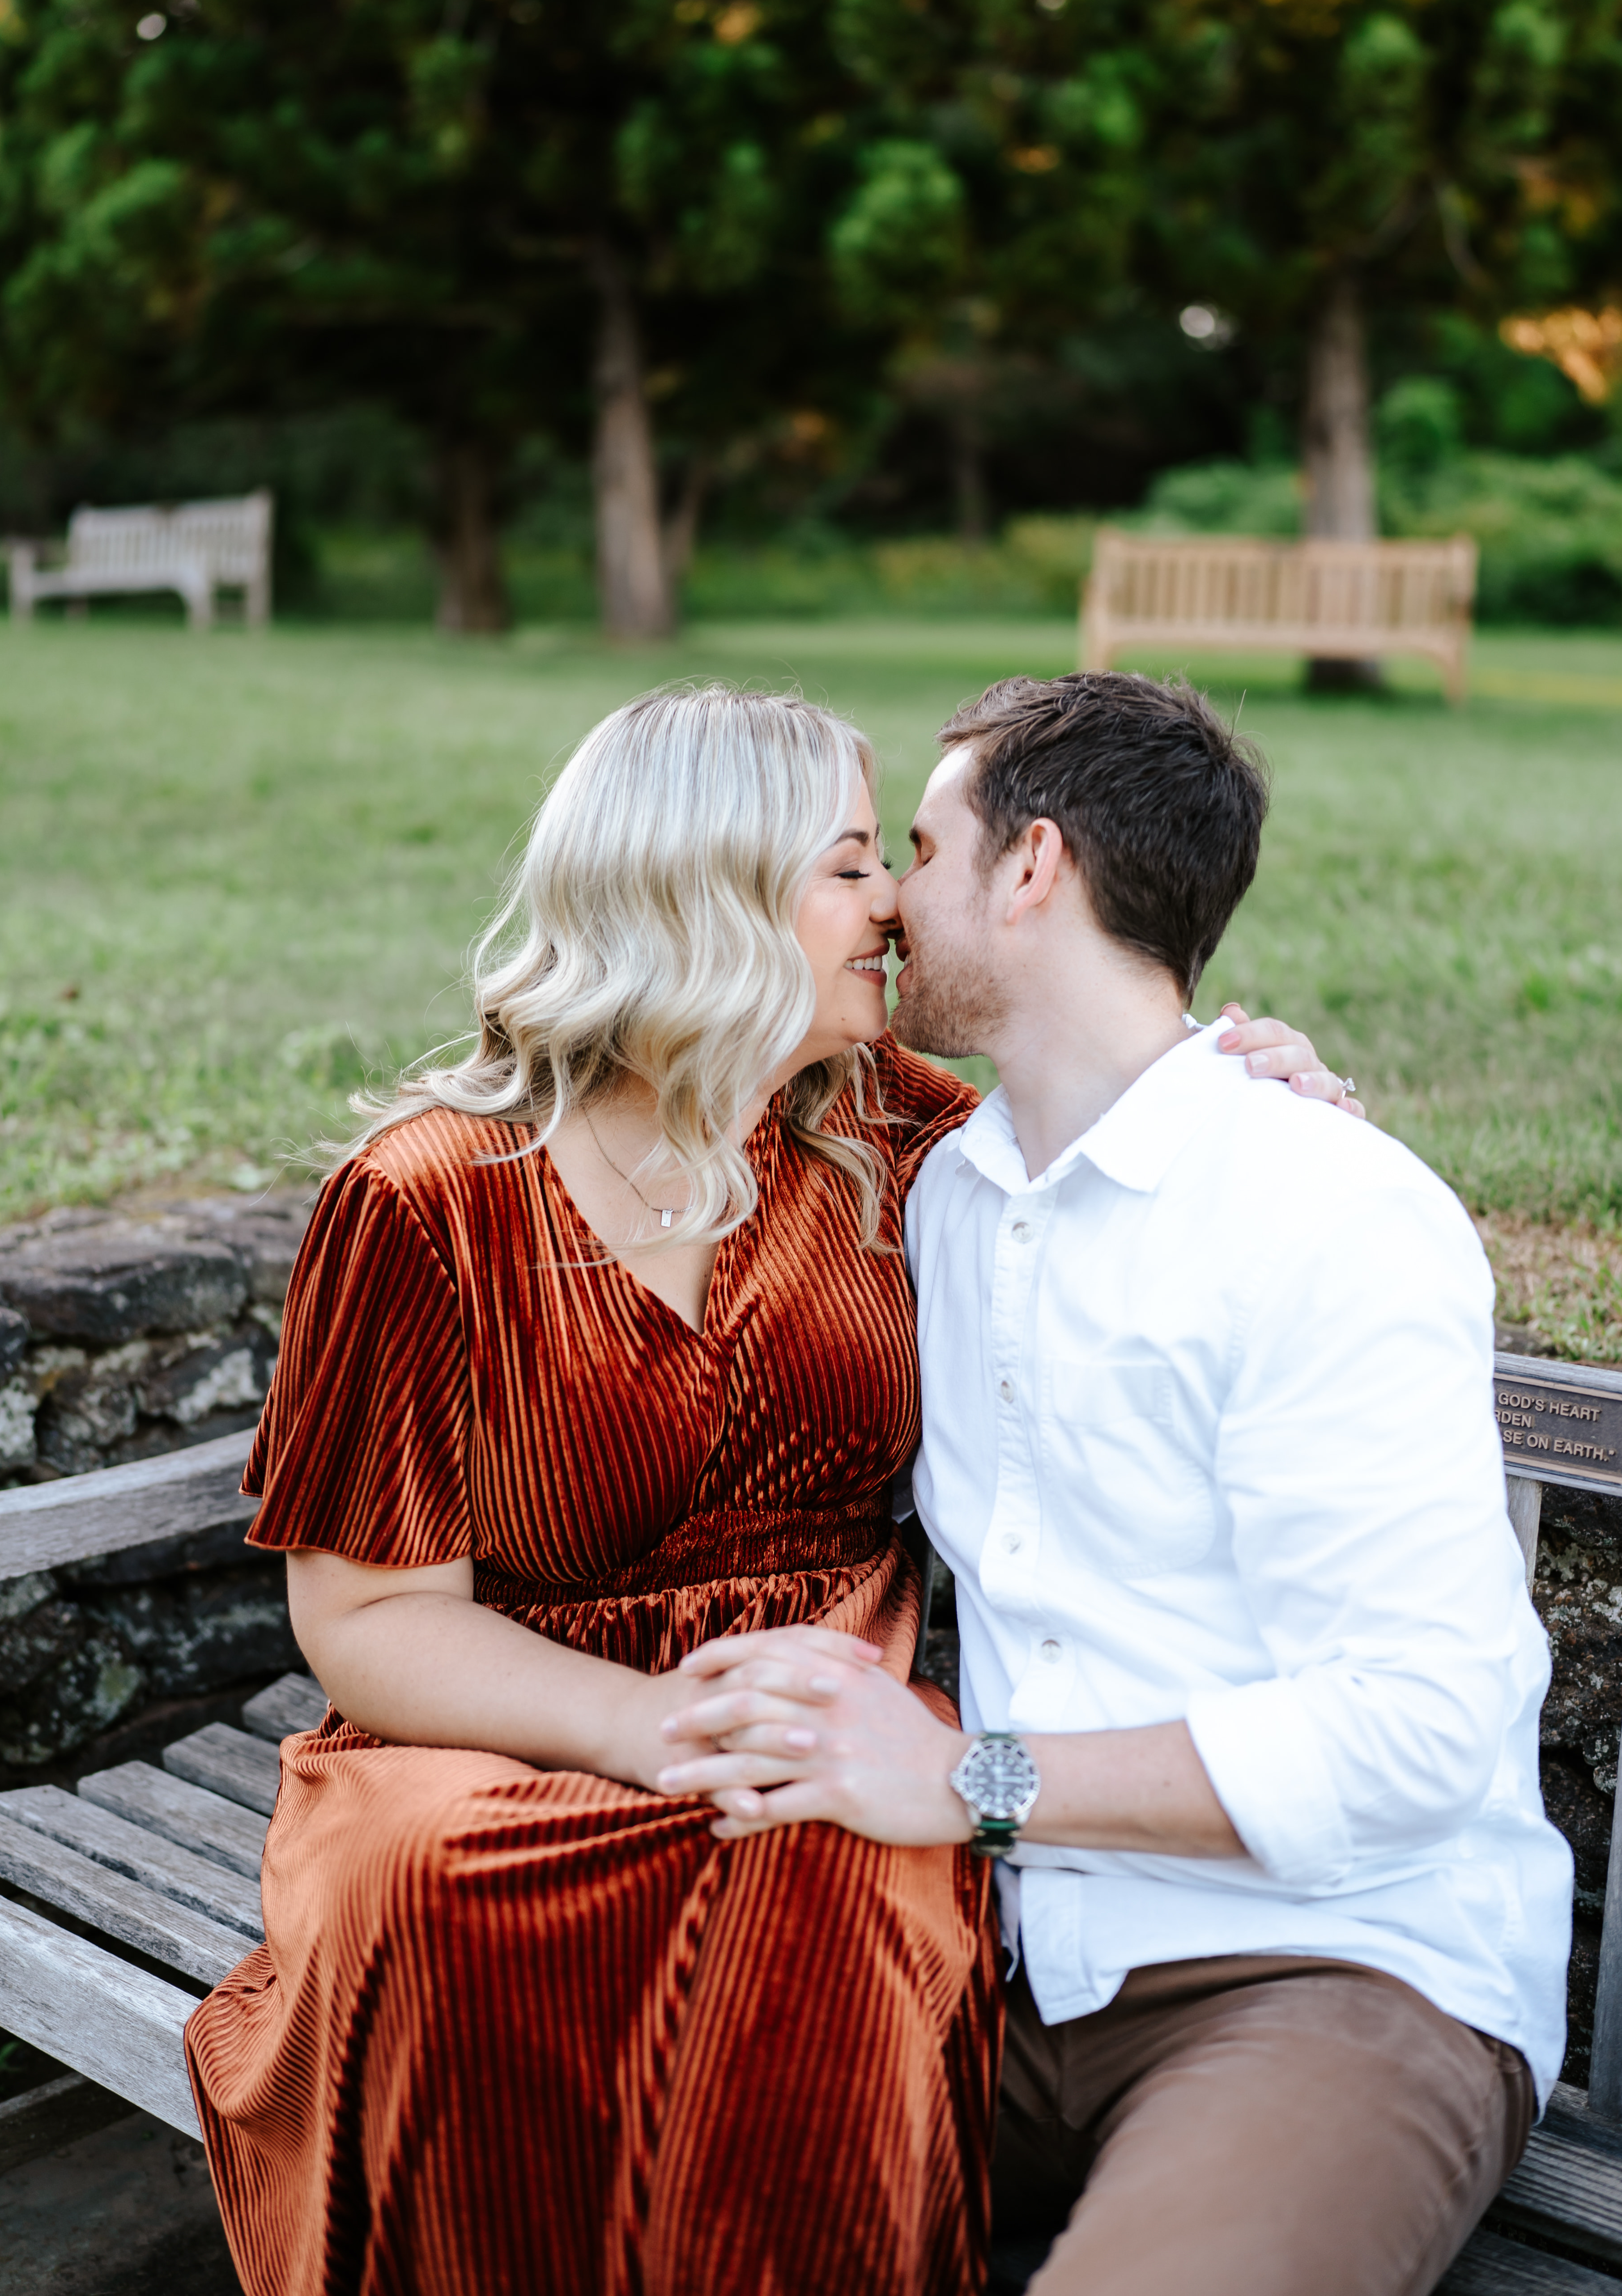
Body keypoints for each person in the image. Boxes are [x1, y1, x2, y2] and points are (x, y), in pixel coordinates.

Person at [185, 683, 1348, 2296]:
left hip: (826, 1727)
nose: (898, 905)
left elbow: (1132, 1122)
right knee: (449, 1892)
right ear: (709, 895)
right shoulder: (431, 1203)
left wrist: (1245, 1088)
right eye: (855, 863)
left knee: (821, 1874)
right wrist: (646, 1728)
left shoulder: (905, 1136)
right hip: (501, 1734)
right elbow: (370, 1618)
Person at [661, 671, 1575, 2296]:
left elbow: (1420, 1725)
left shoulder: (1324, 1212)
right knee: (615, 2176)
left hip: (1328, 1975)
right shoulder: (942, 1191)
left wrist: (969, 1778)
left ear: (1032, 870)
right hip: (1004, 1969)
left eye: (917, 849)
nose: (881, 903)